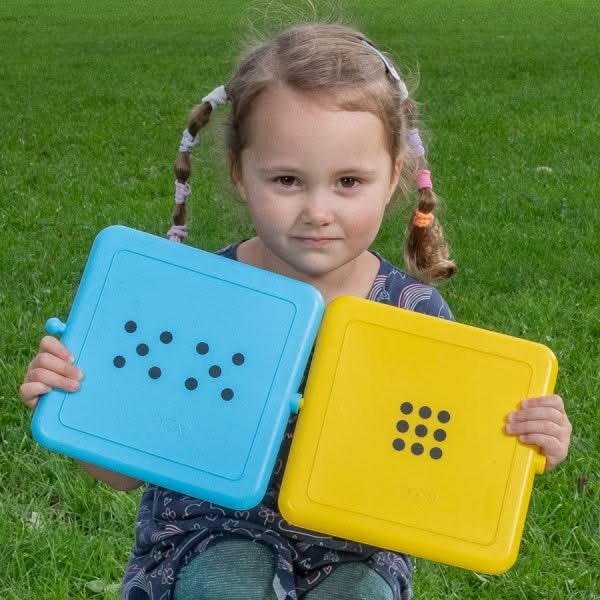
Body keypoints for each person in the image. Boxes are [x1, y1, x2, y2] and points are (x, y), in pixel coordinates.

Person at [19, 22, 572, 600]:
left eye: (349, 182)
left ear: (393, 182)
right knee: (226, 581)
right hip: (204, 535)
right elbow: (122, 471)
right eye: (287, 179)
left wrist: (526, 444)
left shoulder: (415, 314)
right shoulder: (197, 298)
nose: (317, 211)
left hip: (355, 548)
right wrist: (75, 406)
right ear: (239, 174)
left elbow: (452, 459)